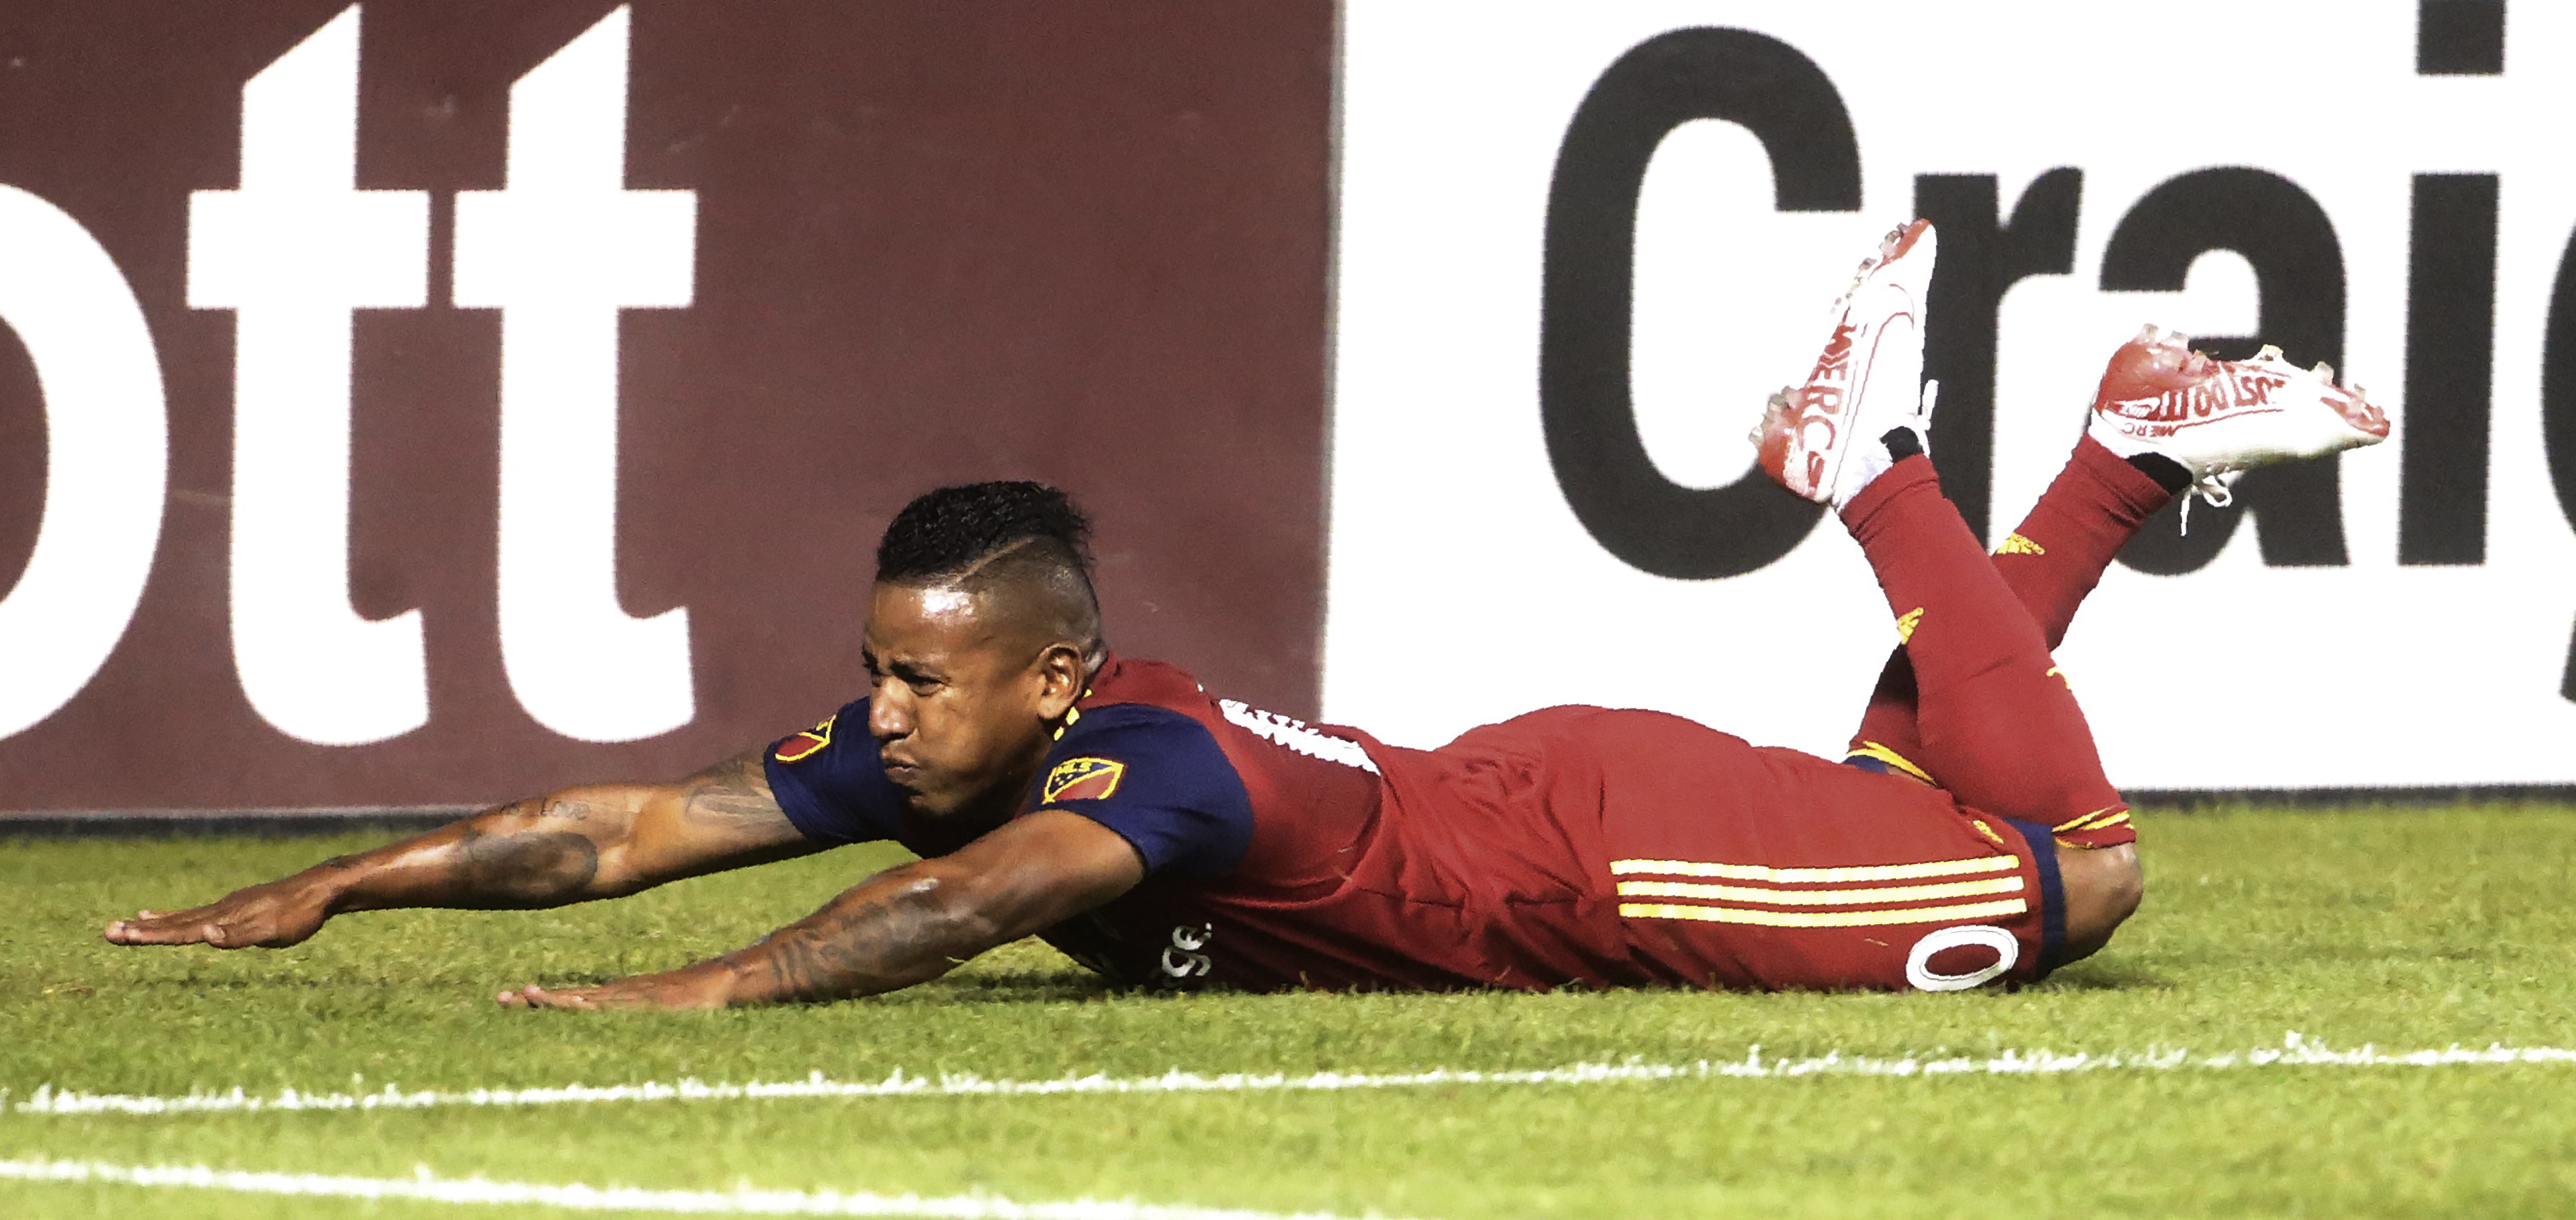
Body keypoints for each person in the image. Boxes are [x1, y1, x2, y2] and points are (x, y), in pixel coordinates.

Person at [104, 221, 2388, 1006]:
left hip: (1599, 855)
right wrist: (333, 884)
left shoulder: (1141, 771)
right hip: (1553, 786)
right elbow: (618, 822)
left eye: (927, 675)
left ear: (1053, 678)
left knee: (2068, 874)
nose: (883, 716)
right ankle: (2121, 447)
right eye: (885, 669)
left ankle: (1859, 456)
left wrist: (688, 994)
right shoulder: (944, 742)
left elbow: (966, 911)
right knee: (1935, 784)